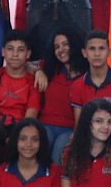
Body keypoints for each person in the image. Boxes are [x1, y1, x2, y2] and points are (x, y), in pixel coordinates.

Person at [69, 30, 111, 153]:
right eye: (92, 49)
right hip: (88, 144)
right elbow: (79, 124)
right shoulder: (77, 85)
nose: (97, 54)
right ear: (84, 53)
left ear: (109, 52)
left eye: (102, 48)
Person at [36, 29, 83, 164]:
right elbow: (26, 64)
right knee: (39, 149)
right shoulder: (49, 68)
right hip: (46, 124)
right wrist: (38, 71)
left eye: (65, 44)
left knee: (58, 154)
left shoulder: (86, 74)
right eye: (56, 47)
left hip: (70, 128)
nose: (61, 50)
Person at [0, 29, 42, 127]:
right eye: (10, 49)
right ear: (3, 52)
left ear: (28, 54)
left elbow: (31, 116)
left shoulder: (35, 81)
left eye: (21, 50)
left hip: (21, 130)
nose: (15, 54)